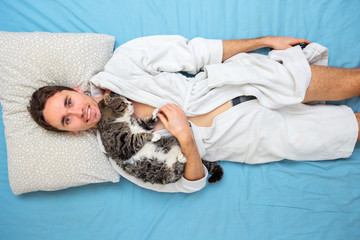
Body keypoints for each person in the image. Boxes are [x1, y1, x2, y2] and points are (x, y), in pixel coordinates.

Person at [28, 35, 360, 192]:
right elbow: (190, 185)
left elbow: (196, 53)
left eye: (68, 103)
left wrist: (264, 41)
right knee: (351, 128)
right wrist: (186, 140)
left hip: (242, 81)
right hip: (252, 137)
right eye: (66, 120)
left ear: (74, 89)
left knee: (353, 82)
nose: (78, 114)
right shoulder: (123, 158)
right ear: (71, 131)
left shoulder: (123, 64)